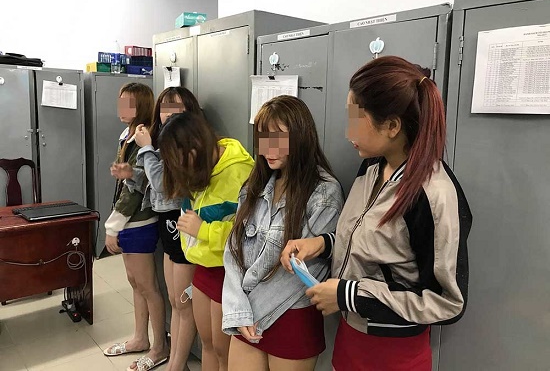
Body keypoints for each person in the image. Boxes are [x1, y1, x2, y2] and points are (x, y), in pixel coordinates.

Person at [281, 56, 472, 371]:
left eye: (355, 120)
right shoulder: (371, 166)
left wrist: (349, 295)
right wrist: (322, 244)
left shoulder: (433, 194)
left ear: (392, 126)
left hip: (394, 354)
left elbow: (446, 301)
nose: (348, 132)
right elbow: (372, 240)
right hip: (351, 338)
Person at [222, 95, 344, 371]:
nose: (269, 148)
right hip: (246, 315)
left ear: (300, 137)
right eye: (263, 137)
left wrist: (247, 310)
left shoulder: (324, 192)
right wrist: (237, 308)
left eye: (279, 138)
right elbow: (233, 251)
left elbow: (303, 271)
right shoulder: (254, 185)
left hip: (291, 316)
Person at [111, 87, 202, 371]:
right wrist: (132, 174)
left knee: (182, 303)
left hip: (182, 224)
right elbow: (153, 183)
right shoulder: (165, 143)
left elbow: (164, 185)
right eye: (164, 108)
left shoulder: (188, 145)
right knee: (175, 300)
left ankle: (175, 362)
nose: (167, 114)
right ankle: (175, 360)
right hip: (167, 223)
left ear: (189, 112)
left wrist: (146, 148)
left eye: (176, 108)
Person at [158, 112, 254, 371]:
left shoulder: (240, 172)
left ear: (196, 146)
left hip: (228, 272)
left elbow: (248, 235)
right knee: (208, 345)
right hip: (203, 268)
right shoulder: (198, 168)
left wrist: (204, 230)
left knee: (224, 352)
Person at [103, 83, 169, 371]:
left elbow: (135, 189)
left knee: (148, 286)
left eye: (128, 103)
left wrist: (112, 226)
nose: (122, 108)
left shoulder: (144, 137)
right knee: (134, 282)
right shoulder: (127, 135)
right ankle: (140, 338)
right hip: (129, 222)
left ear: (141, 106)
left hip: (139, 221)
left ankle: (159, 347)